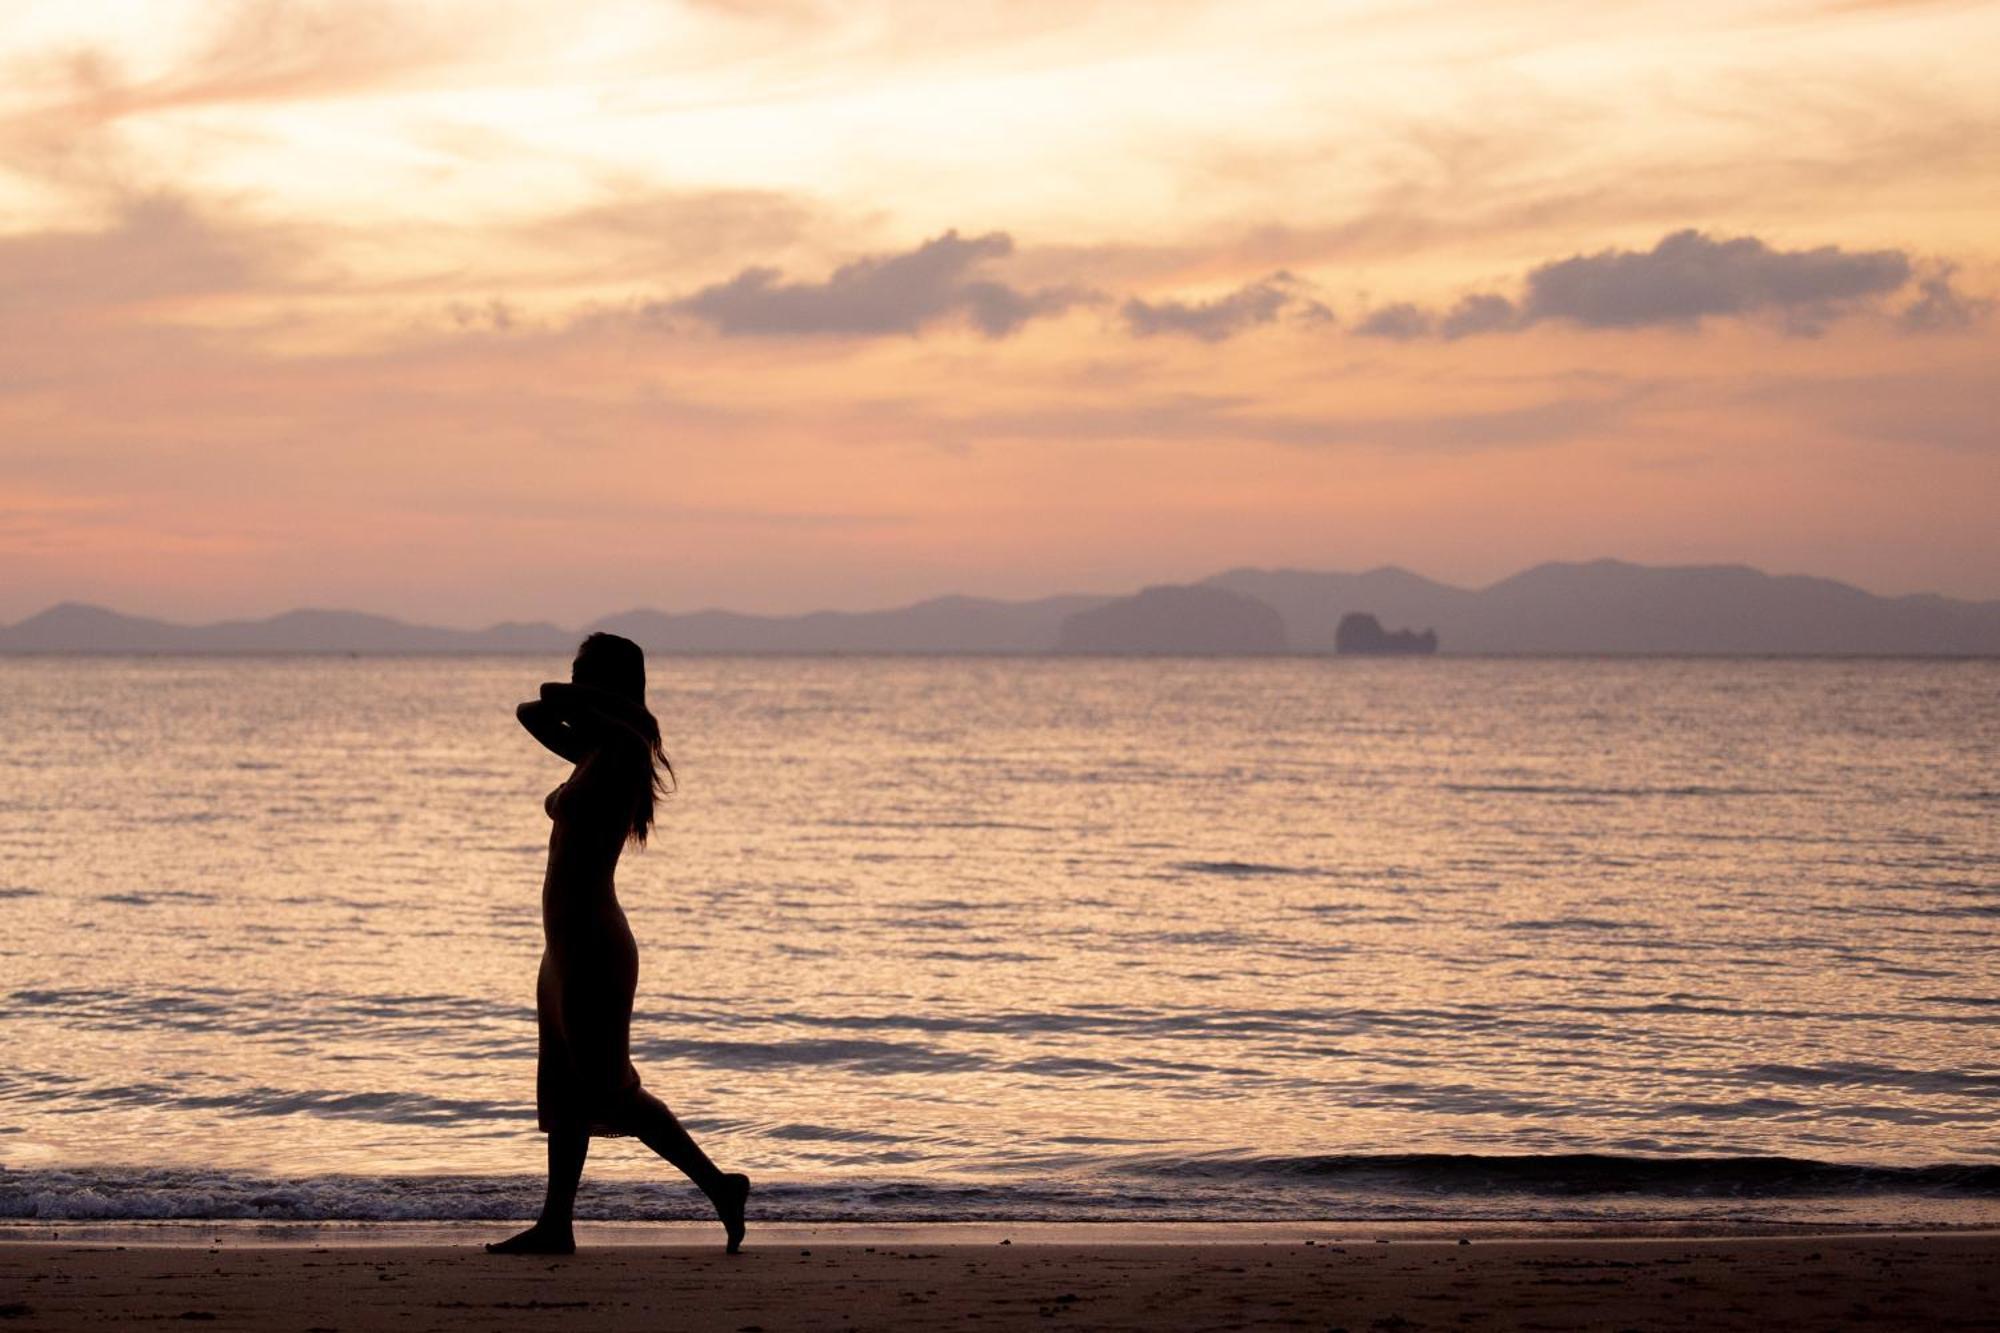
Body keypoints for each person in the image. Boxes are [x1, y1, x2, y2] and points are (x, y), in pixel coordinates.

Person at [487, 633, 749, 1255]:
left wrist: (586, 697)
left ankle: (720, 1187)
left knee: (611, 1088)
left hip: (596, 946)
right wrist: (587, 699)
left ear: (610, 682)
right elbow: (532, 711)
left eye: (585, 673)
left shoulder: (627, 747)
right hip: (563, 947)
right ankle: (556, 1225)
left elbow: (549, 697)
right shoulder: (597, 746)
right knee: (563, 1089)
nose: (570, 682)